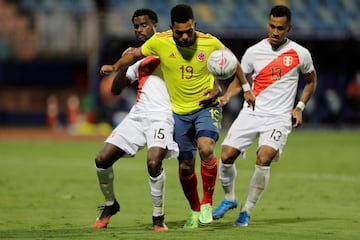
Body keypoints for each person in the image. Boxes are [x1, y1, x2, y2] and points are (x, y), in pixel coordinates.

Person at [100, 4, 256, 228]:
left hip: (206, 107)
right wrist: (114, 66)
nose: (184, 36)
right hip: (179, 114)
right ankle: (193, 209)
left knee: (206, 148)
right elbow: (134, 54)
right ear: (171, 28)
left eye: (189, 31)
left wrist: (245, 88)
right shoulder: (160, 42)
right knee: (185, 167)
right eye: (179, 32)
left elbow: (233, 62)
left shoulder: (209, 42)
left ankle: (206, 202)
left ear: (195, 26)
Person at [212, 5, 317, 227]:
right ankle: (230, 199)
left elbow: (311, 81)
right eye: (272, 26)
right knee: (226, 155)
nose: (275, 32)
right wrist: (228, 96)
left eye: (281, 28)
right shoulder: (253, 52)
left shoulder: (300, 53)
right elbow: (241, 80)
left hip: (279, 118)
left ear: (289, 28)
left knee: (264, 157)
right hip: (252, 112)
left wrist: (299, 107)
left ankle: (247, 211)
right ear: (267, 24)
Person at [93, 9, 179, 232]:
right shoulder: (138, 60)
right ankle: (111, 205)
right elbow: (115, 89)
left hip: (162, 116)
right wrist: (122, 64)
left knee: (153, 162)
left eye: (144, 25)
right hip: (139, 115)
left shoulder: (171, 48)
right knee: (101, 160)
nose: (139, 29)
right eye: (136, 26)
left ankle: (158, 217)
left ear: (155, 25)